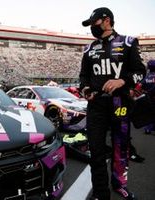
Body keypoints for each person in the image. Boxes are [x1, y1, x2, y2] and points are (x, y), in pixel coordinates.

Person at [79, 7, 146, 200]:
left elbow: (141, 71)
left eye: (94, 23)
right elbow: (83, 76)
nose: (92, 27)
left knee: (121, 146)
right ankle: (101, 193)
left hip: (121, 103)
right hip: (96, 106)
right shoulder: (89, 48)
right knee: (96, 150)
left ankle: (119, 183)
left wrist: (122, 80)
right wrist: (86, 90)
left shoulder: (128, 42)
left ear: (106, 20)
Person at [142, 59, 155, 134]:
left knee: (149, 113)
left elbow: (141, 86)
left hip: (148, 98)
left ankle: (148, 129)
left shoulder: (147, 77)